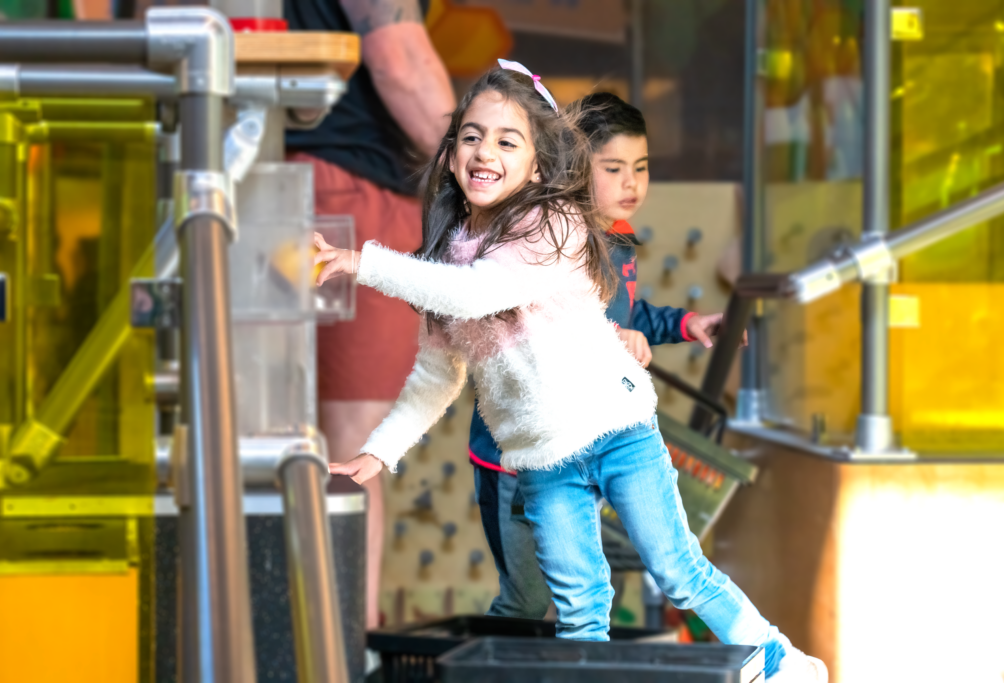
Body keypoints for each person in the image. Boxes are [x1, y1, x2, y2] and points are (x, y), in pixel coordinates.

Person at [315, 63, 826, 682]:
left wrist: (356, 261)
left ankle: (781, 661)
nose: (485, 152)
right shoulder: (445, 258)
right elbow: (435, 376)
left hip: (619, 433)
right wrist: (377, 454)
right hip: (542, 462)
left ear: (535, 165)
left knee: (678, 570)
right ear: (451, 155)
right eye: (472, 136)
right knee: (580, 611)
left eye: (508, 141)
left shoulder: (551, 225)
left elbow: (478, 293)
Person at [467, 92, 732, 620]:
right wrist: (610, 341)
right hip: (515, 455)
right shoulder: (546, 240)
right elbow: (541, 326)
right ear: (574, 169)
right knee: (527, 599)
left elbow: (630, 316)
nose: (632, 182)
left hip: (579, 446)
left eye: (641, 167)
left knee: (578, 599)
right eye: (614, 168)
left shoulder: (617, 241)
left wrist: (686, 324)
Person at [284, 0, 456, 631]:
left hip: (242, 181)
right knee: (352, 450)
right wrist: (494, 185)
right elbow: (400, 59)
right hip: (341, 193)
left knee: (255, 437)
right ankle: (340, 654)